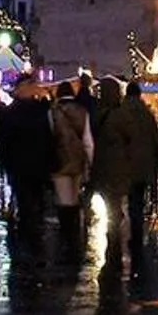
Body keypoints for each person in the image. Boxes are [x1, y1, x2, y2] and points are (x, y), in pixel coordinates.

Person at [89, 76, 158, 275]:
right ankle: (133, 239)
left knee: (114, 207)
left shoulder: (102, 114)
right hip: (134, 167)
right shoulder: (138, 115)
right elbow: (152, 140)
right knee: (135, 204)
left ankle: (114, 245)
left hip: (109, 168)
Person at [0, 79, 56, 236]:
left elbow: (4, 141)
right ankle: (34, 231)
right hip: (37, 164)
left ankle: (26, 231)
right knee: (36, 199)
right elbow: (49, 138)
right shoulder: (41, 110)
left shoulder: (10, 113)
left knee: (24, 199)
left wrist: (6, 163)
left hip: (19, 166)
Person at [50, 81, 93, 240]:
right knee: (74, 198)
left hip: (59, 161)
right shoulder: (83, 112)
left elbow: (50, 138)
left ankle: (66, 235)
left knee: (63, 199)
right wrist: (90, 163)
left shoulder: (52, 112)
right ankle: (75, 234)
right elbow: (88, 142)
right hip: (78, 161)